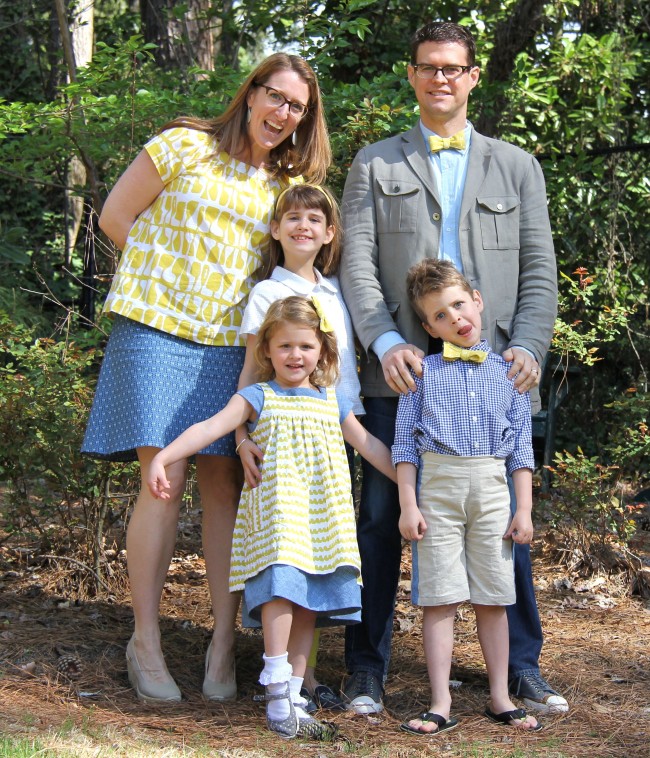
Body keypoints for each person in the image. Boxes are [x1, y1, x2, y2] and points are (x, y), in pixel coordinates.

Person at [81, 52, 331, 704]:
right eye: (273, 96)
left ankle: (224, 643)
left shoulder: (285, 185)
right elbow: (115, 217)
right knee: (160, 483)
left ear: (305, 119)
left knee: (226, 489)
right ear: (250, 95)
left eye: (295, 106)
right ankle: (145, 640)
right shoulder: (182, 145)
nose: (281, 113)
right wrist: (163, 286)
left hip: (230, 348)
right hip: (157, 332)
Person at [339, 20, 566, 715]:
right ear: (412, 75)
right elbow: (355, 266)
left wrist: (526, 347)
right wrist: (382, 342)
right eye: (428, 67)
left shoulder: (516, 166)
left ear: (471, 77)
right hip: (401, 374)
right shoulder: (374, 165)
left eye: (453, 68)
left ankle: (520, 670)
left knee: (507, 520)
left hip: (495, 378)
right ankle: (366, 670)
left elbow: (539, 269)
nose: (440, 78)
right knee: (382, 517)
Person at [146, 296, 397, 739]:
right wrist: (163, 457)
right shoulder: (257, 396)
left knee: (309, 605)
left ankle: (295, 694)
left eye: (304, 346)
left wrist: (416, 484)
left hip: (323, 523)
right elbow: (210, 427)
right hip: (280, 520)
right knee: (281, 591)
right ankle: (276, 689)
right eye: (284, 347)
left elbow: (371, 447)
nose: (295, 356)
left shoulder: (331, 400)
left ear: (322, 350)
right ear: (267, 351)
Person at [393, 259, 542, 735]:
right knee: (438, 596)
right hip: (437, 490)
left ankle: (500, 695)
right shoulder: (423, 373)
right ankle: (439, 701)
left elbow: (521, 447)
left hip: (493, 490)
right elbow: (404, 445)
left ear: (477, 302)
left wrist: (524, 508)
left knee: (493, 596)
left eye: (459, 304)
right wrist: (408, 504)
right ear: (427, 326)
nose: (454, 318)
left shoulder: (510, 373)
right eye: (440, 315)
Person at [235, 183, 358, 711]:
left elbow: (342, 374)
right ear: (276, 228)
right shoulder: (266, 292)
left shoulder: (336, 293)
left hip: (331, 438)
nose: (303, 226)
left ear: (330, 234)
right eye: (292, 217)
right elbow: (247, 376)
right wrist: (241, 437)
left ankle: (301, 684)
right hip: (282, 444)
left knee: (321, 552)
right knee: (289, 554)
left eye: (315, 219)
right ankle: (284, 683)